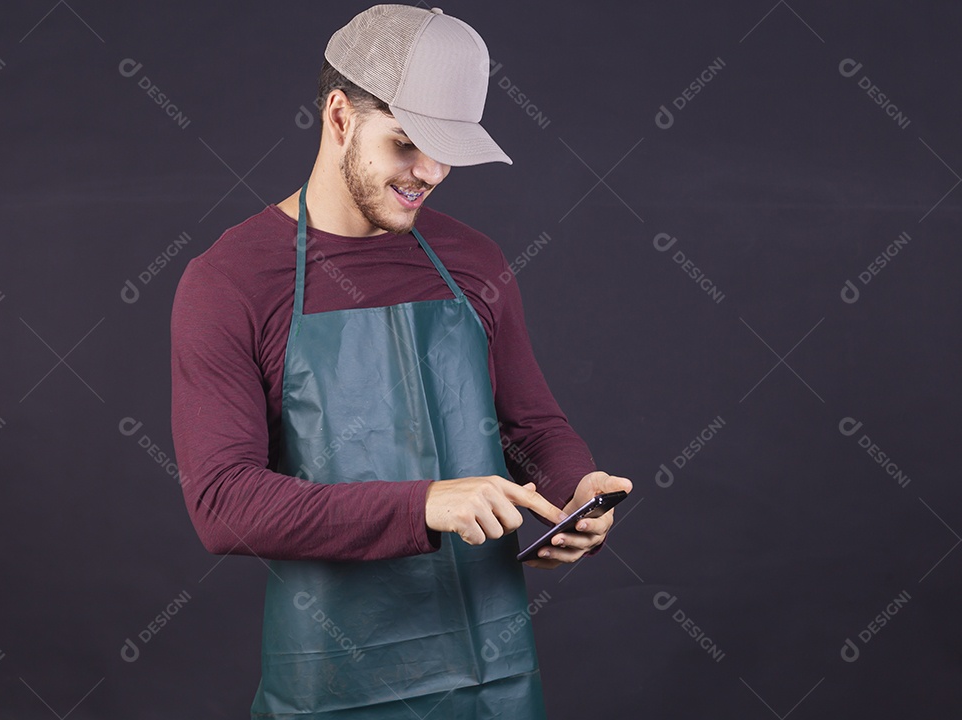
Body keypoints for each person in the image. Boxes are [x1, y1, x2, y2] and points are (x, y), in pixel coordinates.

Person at [170, 5, 633, 718]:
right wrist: (424, 504)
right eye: (408, 144)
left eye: (448, 151)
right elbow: (224, 504)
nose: (432, 173)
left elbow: (531, 427)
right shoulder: (229, 281)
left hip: (492, 678)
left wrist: (577, 490)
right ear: (338, 117)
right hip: (331, 688)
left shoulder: (475, 262)